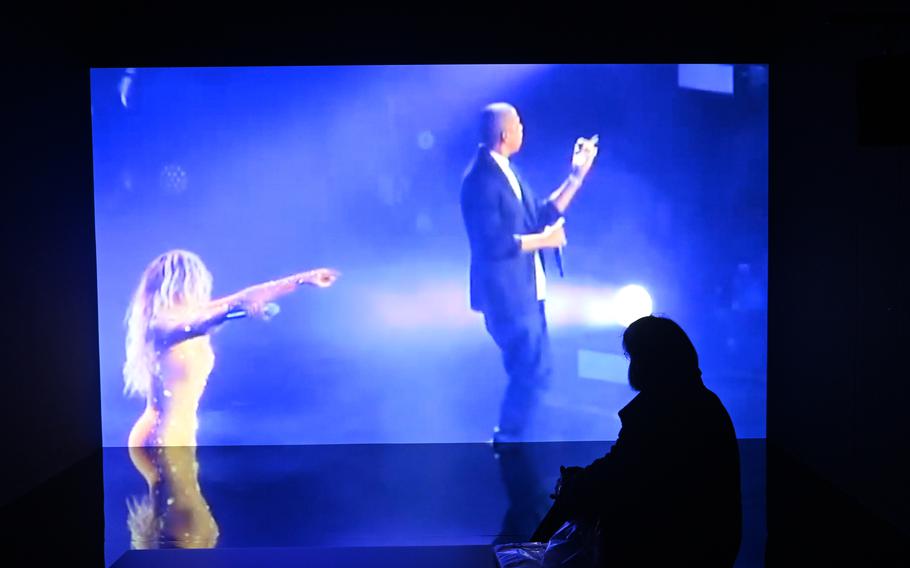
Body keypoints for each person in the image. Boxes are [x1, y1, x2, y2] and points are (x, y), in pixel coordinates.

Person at [531, 315, 742, 567]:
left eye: (632, 357)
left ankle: (531, 552)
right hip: (709, 543)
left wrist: (575, 485)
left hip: (674, 545)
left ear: (647, 361)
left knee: (572, 498)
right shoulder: (705, 403)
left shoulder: (658, 411)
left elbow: (619, 473)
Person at [460, 102, 599, 443]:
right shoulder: (479, 180)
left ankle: (514, 437)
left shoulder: (509, 172)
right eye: (518, 123)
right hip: (505, 295)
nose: (523, 128)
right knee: (530, 371)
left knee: (538, 370)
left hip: (527, 290)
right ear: (505, 133)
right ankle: (508, 438)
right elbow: (491, 242)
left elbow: (541, 214)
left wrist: (577, 175)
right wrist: (545, 240)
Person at [124, 249, 338, 447]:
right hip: (162, 436)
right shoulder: (163, 323)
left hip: (178, 433)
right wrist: (233, 310)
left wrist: (303, 279)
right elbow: (211, 316)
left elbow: (245, 296)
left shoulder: (191, 313)